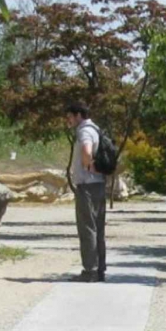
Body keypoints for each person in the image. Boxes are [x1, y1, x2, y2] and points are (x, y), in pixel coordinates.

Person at [65, 103, 107, 282]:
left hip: (87, 185)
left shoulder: (84, 131)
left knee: (87, 228)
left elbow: (87, 151)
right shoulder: (96, 129)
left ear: (78, 115)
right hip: (98, 184)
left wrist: (88, 165)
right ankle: (99, 269)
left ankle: (90, 271)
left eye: (69, 116)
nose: (68, 120)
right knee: (98, 228)